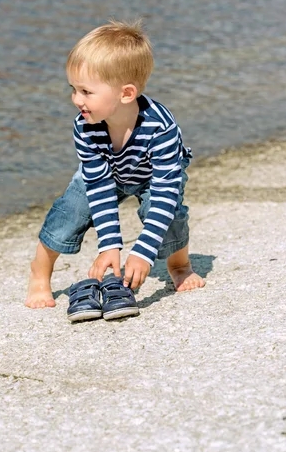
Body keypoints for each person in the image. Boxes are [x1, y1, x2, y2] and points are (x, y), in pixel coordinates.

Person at [26, 20, 205, 310]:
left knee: (168, 213)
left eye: (86, 92)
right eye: (73, 89)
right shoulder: (85, 126)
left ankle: (180, 265)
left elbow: (165, 191)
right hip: (107, 174)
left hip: (155, 179)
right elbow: (98, 185)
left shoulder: (160, 127)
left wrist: (143, 253)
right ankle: (40, 272)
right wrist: (110, 245)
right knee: (69, 212)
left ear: (126, 94)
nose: (76, 100)